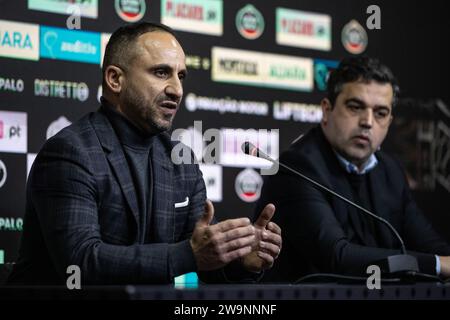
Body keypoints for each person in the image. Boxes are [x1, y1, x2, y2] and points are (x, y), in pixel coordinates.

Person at [7, 22, 282, 285]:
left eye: (181, 75)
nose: (177, 89)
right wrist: (187, 254)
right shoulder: (70, 152)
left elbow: (204, 257)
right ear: (115, 79)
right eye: (161, 72)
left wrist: (239, 259)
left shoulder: (180, 162)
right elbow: (79, 263)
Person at [256, 56, 450, 282]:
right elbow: (338, 257)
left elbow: (430, 244)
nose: (368, 121)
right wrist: (435, 264)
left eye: (380, 113)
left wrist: (443, 259)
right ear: (327, 110)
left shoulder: (390, 170)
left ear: (389, 121)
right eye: (355, 107)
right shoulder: (297, 168)